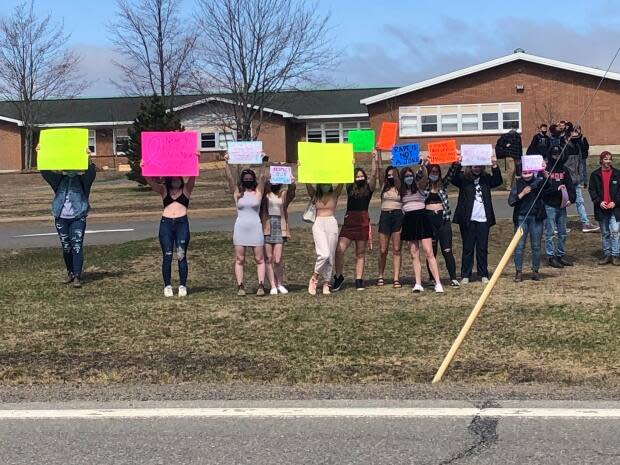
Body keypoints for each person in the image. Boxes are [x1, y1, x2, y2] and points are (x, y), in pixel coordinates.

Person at [40, 148, 96, 288]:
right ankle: (70, 272)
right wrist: (41, 153)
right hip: (60, 217)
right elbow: (46, 172)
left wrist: (88, 159)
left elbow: (90, 173)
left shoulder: (82, 180)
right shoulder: (59, 180)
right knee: (66, 247)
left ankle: (77, 275)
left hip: (78, 217)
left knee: (77, 246)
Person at [143, 169, 197, 297]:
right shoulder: (164, 190)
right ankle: (167, 285)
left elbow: (193, 175)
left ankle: (182, 285)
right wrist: (144, 168)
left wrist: (196, 159)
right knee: (167, 255)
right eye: (173, 178)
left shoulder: (186, 190)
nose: (176, 180)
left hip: (181, 224)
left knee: (181, 255)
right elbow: (150, 182)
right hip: (166, 224)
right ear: (169, 180)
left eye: (178, 178)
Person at [451, 154, 502, 283]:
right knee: (468, 247)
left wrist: (495, 165)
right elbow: (453, 179)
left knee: (482, 247)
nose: (477, 168)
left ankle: (483, 273)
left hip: (483, 218)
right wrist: (457, 164)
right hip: (467, 218)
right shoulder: (464, 178)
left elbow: (498, 181)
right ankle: (466, 274)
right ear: (470, 166)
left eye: (479, 166)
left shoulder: (486, 178)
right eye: (474, 166)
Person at [333, 151, 379, 291]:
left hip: (363, 220)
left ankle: (359, 279)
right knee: (339, 250)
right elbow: (346, 176)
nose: (359, 178)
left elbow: (374, 175)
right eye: (357, 176)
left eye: (361, 176)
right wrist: (349, 163)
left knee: (360, 253)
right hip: (350, 220)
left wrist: (374, 158)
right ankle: (339, 276)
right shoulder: (350, 187)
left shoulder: (369, 188)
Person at [224, 155, 268, 296]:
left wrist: (263, 162)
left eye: (250, 178)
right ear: (242, 180)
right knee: (240, 259)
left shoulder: (258, 193)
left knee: (259, 259)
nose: (248, 180)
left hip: (256, 227)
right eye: (245, 178)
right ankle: (240, 285)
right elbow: (230, 179)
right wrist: (227, 162)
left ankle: (261, 285)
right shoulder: (238, 193)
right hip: (240, 228)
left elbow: (262, 177)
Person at [400, 162, 443, 293]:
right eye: (406, 176)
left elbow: (425, 176)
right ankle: (418, 283)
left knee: (429, 252)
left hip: (422, 218)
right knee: (414, 253)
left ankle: (438, 283)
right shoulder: (400, 189)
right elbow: (395, 178)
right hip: (408, 220)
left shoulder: (419, 186)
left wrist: (422, 165)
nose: (409, 178)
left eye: (410, 175)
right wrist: (393, 161)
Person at [509, 168, 550, 282]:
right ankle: (518, 271)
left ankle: (535, 270)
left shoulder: (538, 182)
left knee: (536, 246)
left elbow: (548, 187)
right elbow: (511, 201)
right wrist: (522, 193)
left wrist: (546, 177)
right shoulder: (518, 183)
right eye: (524, 173)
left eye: (529, 173)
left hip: (536, 218)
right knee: (519, 246)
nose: (526, 175)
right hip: (522, 218)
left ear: (533, 173)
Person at [423, 162, 460, 287]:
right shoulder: (424, 186)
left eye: (436, 172)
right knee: (431, 251)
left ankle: (453, 278)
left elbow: (451, 173)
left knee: (447, 249)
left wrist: (456, 162)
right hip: (428, 221)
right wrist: (422, 165)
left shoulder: (442, 185)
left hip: (443, 220)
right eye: (432, 172)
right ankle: (432, 278)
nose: (434, 174)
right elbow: (419, 177)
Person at [261, 170, 296, 294]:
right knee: (268, 258)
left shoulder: (283, 194)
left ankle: (280, 283)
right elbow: (261, 184)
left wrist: (292, 181)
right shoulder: (265, 194)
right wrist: (266, 176)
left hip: (280, 227)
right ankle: (272, 285)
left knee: (278, 258)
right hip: (267, 226)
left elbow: (292, 192)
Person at [306, 183, 344, 295]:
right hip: (318, 223)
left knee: (330, 256)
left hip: (331, 223)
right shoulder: (315, 194)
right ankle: (314, 277)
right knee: (324, 254)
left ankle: (327, 283)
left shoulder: (334, 193)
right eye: (323, 183)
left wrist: (350, 166)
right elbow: (307, 182)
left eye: (327, 183)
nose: (325, 185)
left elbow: (342, 180)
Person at [542, 145, 576, 268]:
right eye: (554, 155)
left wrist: (571, 199)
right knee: (550, 232)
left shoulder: (564, 170)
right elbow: (542, 189)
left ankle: (560, 255)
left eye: (559, 155)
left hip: (562, 206)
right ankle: (550, 256)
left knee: (562, 233)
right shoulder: (546, 170)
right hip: (549, 205)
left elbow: (571, 187)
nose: (556, 157)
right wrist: (555, 189)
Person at [564, 128, 599, 233]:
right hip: (566, 181)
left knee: (580, 201)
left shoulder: (578, 147)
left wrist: (583, 178)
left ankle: (585, 223)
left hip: (576, 180)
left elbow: (581, 164)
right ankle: (559, 225)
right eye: (573, 136)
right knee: (563, 202)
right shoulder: (564, 148)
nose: (576, 139)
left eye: (577, 136)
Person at [588, 152, 620, 265]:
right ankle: (607, 254)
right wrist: (599, 202)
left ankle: (616, 255)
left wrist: (615, 202)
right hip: (601, 208)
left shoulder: (617, 174)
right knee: (605, 233)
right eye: (606, 159)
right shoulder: (595, 175)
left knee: (615, 232)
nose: (608, 162)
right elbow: (592, 190)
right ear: (601, 160)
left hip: (615, 209)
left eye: (610, 159)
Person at [377, 161, 403, 288]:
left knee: (397, 249)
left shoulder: (400, 187)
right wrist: (378, 156)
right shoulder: (383, 186)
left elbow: (397, 179)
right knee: (383, 250)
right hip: (385, 216)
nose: (390, 176)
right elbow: (380, 171)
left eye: (393, 175)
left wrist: (396, 168)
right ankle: (380, 275)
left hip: (398, 216)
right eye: (389, 175)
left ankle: (396, 278)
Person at [495, 121, 522, 191]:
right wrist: (505, 145)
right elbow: (499, 143)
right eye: (514, 127)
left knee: (514, 171)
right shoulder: (506, 135)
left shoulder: (517, 136)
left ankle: (511, 185)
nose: (515, 128)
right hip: (509, 155)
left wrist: (520, 156)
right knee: (511, 170)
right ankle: (508, 185)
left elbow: (520, 146)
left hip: (516, 155)